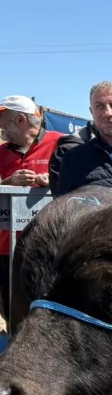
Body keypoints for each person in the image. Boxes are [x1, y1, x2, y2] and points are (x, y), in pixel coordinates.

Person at [0, 95, 60, 321]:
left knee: (46, 310)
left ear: (21, 120)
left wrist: (54, 179)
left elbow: (80, 182)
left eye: (3, 121)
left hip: (50, 247)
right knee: (12, 309)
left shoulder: (60, 143)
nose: (1, 127)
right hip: (7, 249)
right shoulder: (1, 152)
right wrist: (7, 183)